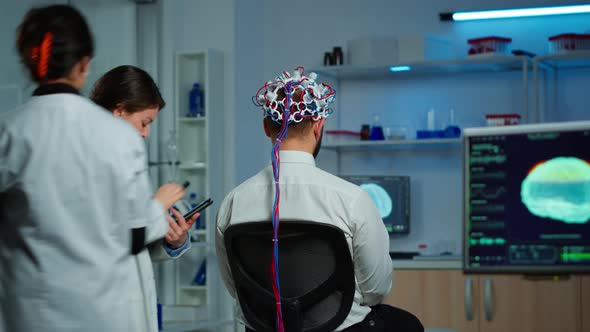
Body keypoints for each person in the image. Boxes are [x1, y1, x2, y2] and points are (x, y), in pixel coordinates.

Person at [0, 5, 186, 331]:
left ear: (31, 61)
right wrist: (158, 208)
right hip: (100, 313)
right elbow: (132, 235)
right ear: (84, 64)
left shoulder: (9, 131)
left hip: (27, 313)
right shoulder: (116, 136)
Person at [215, 67, 423, 331]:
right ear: (318, 125)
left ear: (266, 126)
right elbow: (375, 291)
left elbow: (237, 289)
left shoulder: (232, 203)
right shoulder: (351, 200)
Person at [90, 65, 196, 331]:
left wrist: (174, 240)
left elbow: (134, 244)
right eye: (144, 122)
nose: (146, 133)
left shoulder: (125, 162)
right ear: (119, 110)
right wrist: (157, 205)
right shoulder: (86, 162)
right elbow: (102, 241)